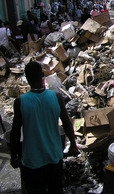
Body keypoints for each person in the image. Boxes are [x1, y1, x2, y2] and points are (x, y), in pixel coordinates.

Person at [10, 61, 79, 194]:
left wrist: (14, 156)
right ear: (42, 75)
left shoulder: (20, 101)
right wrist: (73, 145)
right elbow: (66, 123)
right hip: (54, 156)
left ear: (27, 78)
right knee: (56, 190)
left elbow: (15, 132)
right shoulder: (56, 97)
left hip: (32, 160)